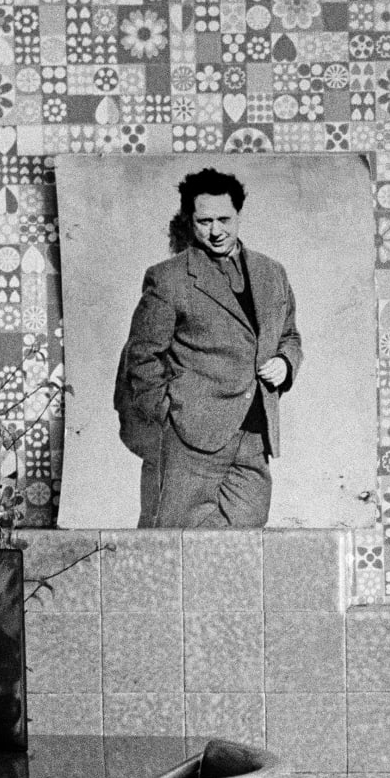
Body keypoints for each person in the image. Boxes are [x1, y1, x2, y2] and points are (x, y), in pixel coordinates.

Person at [113, 169, 303, 528]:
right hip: (190, 439)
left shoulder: (272, 273)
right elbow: (142, 356)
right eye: (204, 221)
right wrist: (170, 415)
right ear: (190, 221)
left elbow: (290, 336)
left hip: (255, 436)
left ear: (239, 215)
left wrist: (285, 363)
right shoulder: (168, 279)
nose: (216, 231)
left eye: (224, 219)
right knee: (177, 546)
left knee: (243, 551)